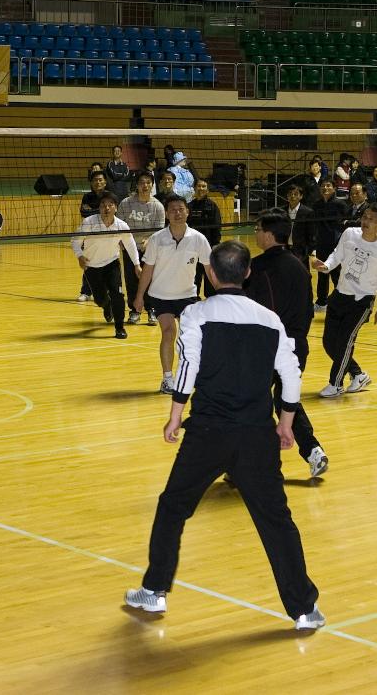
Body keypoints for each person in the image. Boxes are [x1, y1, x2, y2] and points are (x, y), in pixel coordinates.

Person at [123, 240, 324, 632]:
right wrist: (285, 424)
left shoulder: (196, 314)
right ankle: (304, 609)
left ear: (210, 274)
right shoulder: (270, 319)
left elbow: (188, 368)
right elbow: (291, 376)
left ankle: (155, 590)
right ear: (247, 273)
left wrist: (175, 417)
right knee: (276, 520)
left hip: (208, 433)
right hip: (257, 436)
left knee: (172, 507)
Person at [245, 210, 328, 478]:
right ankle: (314, 451)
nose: (255, 234)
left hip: (269, 346)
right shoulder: (300, 266)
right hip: (297, 344)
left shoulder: (258, 268)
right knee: (285, 398)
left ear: (269, 235)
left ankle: (262, 464)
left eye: (258, 229)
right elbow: (307, 308)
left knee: (253, 402)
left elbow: (253, 309)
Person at [311, 202, 377, 397]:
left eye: (371, 219)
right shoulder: (349, 233)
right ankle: (357, 374)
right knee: (329, 343)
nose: (365, 221)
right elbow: (337, 255)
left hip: (362, 301)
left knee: (345, 342)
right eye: (364, 217)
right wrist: (326, 266)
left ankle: (336, 384)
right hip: (340, 295)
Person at [134, 194, 212, 394]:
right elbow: (148, 270)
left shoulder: (198, 239)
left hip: (187, 296)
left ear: (187, 212)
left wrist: (225, 294)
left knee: (192, 337)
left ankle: (191, 374)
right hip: (161, 296)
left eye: (181, 209)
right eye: (173, 210)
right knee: (169, 332)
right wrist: (139, 296)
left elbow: (210, 269)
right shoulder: (157, 239)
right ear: (167, 214)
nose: (177, 213)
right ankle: (168, 379)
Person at [72, 191, 140, 339]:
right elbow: (75, 241)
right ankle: (106, 305)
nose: (107, 208)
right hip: (92, 266)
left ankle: (119, 327)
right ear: (99, 207)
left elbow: (130, 245)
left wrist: (137, 264)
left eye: (110, 205)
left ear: (116, 208)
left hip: (111, 264)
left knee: (118, 295)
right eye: (103, 205)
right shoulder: (89, 222)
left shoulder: (121, 225)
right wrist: (80, 256)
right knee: (99, 299)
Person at [118, 172, 166, 325]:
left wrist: (150, 241)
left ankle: (151, 309)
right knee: (132, 280)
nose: (145, 186)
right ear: (137, 185)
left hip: (150, 248)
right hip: (130, 248)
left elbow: (159, 230)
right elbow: (120, 225)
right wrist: (125, 242)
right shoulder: (126, 203)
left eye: (148, 183)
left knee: (151, 279)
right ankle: (134, 310)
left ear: (152, 185)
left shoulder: (157, 206)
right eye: (142, 183)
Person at [312, 179, 346, 312]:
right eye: (323, 186)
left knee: (337, 275)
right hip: (321, 244)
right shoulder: (316, 205)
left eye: (328, 185)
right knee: (322, 274)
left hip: (336, 245)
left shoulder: (341, 204)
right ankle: (321, 303)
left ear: (334, 188)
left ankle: (341, 302)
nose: (325, 188)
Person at [77, 170, 109, 302]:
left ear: (105, 182)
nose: (98, 182)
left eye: (100, 180)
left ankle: (107, 290)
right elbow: (84, 211)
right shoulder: (87, 197)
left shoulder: (109, 196)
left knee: (108, 264)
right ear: (91, 182)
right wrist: (100, 211)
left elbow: (110, 212)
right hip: (90, 235)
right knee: (88, 263)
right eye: (95, 180)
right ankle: (86, 291)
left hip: (107, 235)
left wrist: (93, 211)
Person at [188, 178, 221, 296]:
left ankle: (210, 298)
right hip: (193, 248)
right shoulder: (189, 206)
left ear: (207, 189)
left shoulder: (212, 206)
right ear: (194, 188)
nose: (201, 189)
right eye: (199, 186)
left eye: (204, 186)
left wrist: (215, 244)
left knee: (209, 274)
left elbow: (217, 227)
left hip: (209, 246)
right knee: (194, 275)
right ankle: (194, 297)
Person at [283, 183, 314, 266]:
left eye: (296, 194)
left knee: (303, 276)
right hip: (285, 250)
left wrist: (307, 251)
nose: (293, 196)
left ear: (301, 196)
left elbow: (311, 234)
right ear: (287, 196)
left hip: (301, 251)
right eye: (290, 194)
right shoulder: (282, 211)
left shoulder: (308, 212)